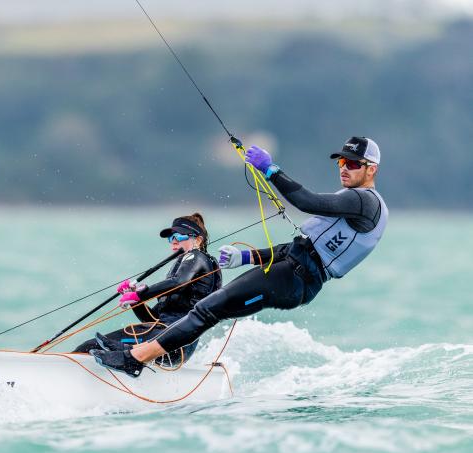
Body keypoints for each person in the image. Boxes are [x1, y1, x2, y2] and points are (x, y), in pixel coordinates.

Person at [91, 136, 388, 377]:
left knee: (208, 308)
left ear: (371, 169)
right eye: (340, 162)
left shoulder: (363, 201)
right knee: (209, 309)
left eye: (352, 163)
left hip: (295, 279)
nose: (343, 168)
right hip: (291, 273)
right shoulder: (353, 203)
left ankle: (135, 359)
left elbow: (305, 201)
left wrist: (271, 170)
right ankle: (147, 357)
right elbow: (299, 249)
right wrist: (244, 258)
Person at [74, 213, 221, 366]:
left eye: (180, 236)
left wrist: (140, 294)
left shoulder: (198, 257)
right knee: (91, 347)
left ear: (198, 239)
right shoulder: (182, 269)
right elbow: (152, 319)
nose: (174, 242)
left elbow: (179, 281)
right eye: (171, 238)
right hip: (166, 341)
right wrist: (134, 300)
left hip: (175, 342)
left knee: (89, 347)